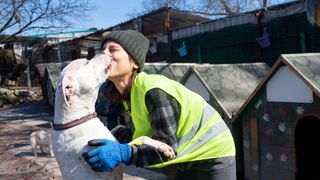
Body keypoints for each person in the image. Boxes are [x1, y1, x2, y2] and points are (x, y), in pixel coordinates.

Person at [82, 30, 236, 180]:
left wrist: (124, 152)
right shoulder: (129, 94)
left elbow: (164, 149)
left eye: (113, 49)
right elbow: (152, 135)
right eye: (102, 50)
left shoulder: (152, 89)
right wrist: (127, 137)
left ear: (134, 62)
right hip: (186, 156)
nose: (104, 54)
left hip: (213, 152)